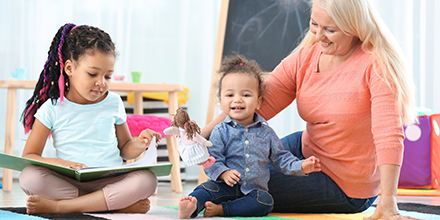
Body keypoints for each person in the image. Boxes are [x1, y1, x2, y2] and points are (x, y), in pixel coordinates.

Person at [201, 1, 420, 220]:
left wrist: (389, 201)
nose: (319, 35)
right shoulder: (306, 56)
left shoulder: (377, 65)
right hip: (305, 149)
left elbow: (388, 135)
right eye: (314, 24)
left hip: (345, 183)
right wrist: (205, 134)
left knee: (242, 190)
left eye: (330, 30)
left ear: (355, 26)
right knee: (228, 167)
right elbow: (257, 104)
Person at [19, 23, 161, 214]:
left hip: (110, 179)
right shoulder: (51, 108)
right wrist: (60, 164)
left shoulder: (113, 102)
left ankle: (63, 207)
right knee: (29, 177)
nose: (101, 83)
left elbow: (125, 148)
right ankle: (114, 206)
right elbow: (29, 156)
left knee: (148, 179)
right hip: (70, 180)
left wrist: (140, 144)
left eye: (108, 76)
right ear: (69, 68)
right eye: (92, 74)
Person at [178, 54, 322, 219]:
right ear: (221, 101)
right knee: (207, 189)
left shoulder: (267, 133)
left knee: (266, 202)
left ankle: (223, 210)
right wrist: (224, 173)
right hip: (225, 186)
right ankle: (193, 205)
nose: (237, 99)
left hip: (253, 192)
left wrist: (301, 166)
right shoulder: (220, 131)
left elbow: (281, 158)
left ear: (258, 102)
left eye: (245, 95)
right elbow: (212, 160)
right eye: (230, 95)